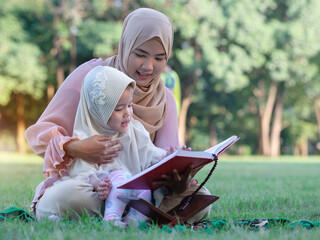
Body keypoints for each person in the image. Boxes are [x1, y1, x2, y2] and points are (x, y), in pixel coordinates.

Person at [25, 8, 210, 223]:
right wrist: (77, 148)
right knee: (66, 196)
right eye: (140, 54)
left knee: (200, 199)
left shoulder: (165, 98)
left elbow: (162, 158)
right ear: (125, 46)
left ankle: (128, 213)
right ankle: (141, 216)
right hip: (93, 186)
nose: (148, 66)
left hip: (141, 191)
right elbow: (38, 137)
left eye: (159, 58)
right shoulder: (93, 77)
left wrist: (176, 180)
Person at [68, 66, 166, 227]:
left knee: (146, 192)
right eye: (119, 108)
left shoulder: (134, 130)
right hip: (108, 188)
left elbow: (150, 153)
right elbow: (82, 170)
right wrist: (96, 183)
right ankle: (111, 219)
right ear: (100, 112)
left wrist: (168, 156)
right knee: (120, 181)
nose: (127, 113)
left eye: (130, 105)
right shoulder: (88, 137)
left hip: (133, 188)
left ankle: (133, 223)